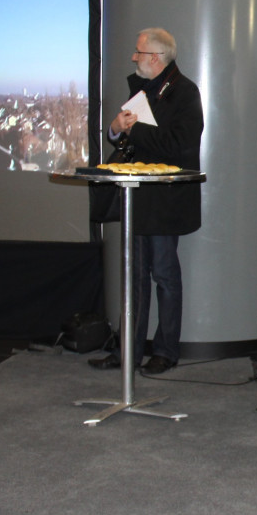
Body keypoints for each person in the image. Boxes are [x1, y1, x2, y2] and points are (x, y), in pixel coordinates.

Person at [89, 28, 203, 375]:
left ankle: (165, 351)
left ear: (156, 57)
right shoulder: (139, 89)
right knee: (133, 277)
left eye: (139, 52)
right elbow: (125, 139)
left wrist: (134, 128)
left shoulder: (185, 92)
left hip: (166, 201)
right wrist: (115, 128)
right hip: (135, 196)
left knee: (165, 276)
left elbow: (178, 145)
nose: (134, 57)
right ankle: (129, 351)